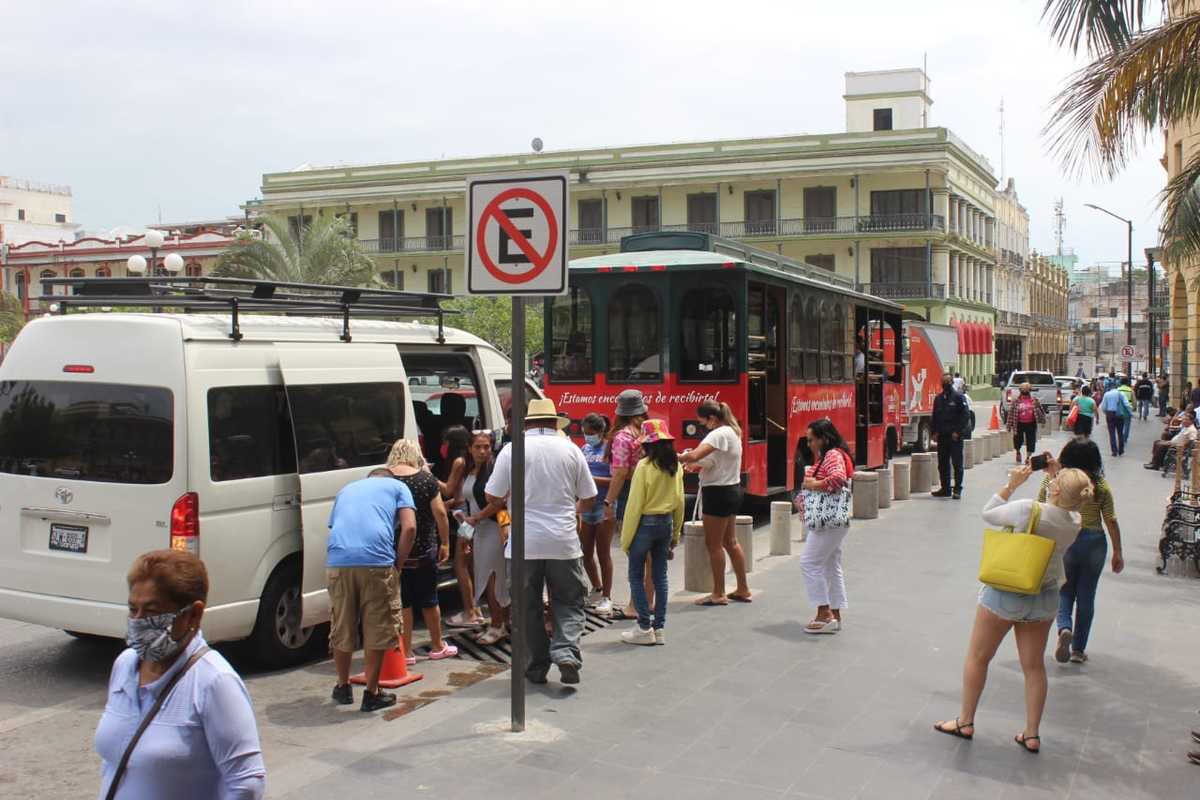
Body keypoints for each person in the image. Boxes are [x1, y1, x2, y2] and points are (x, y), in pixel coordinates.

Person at [933, 465, 1093, 753]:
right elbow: (1058, 505)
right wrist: (1058, 479)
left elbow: (988, 512)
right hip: (1044, 596)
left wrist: (1012, 484)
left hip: (1006, 592)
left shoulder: (1026, 509)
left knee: (978, 657)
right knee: (1033, 667)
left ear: (1054, 489)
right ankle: (1032, 734)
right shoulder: (1074, 520)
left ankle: (965, 721)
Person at [96, 550, 266, 799]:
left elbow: (247, 783)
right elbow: (115, 762)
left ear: (193, 614)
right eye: (133, 610)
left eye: (152, 612)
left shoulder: (215, 682)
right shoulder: (125, 665)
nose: (138, 621)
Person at [484, 398, 597, 685]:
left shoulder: (512, 451)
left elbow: (492, 496)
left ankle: (535, 667)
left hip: (523, 542)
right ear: (553, 422)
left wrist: (510, 501)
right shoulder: (571, 450)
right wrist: (573, 511)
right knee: (569, 601)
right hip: (563, 540)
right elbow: (589, 495)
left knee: (526, 606)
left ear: (528, 423)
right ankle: (566, 651)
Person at [326, 468, 416, 712]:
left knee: (342, 624)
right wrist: (398, 563)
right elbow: (409, 528)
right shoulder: (398, 487)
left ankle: (342, 686)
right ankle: (372, 692)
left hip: (338, 562)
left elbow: (335, 526)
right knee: (377, 626)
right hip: (377, 562)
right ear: (388, 478)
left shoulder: (346, 490)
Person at [1039, 439, 1124, 665]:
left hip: (1066, 539)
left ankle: (1064, 627)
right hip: (1094, 541)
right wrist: (1118, 552)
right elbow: (1111, 521)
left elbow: (1040, 506)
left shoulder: (1054, 481)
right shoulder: (1100, 486)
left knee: (1064, 590)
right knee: (1087, 596)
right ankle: (1078, 650)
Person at [386, 440, 457, 665]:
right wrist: (445, 542)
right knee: (429, 598)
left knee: (403, 601)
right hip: (423, 549)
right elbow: (440, 513)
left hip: (396, 551)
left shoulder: (385, 479)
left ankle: (406, 652)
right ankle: (437, 646)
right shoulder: (425, 479)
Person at [679, 399, 752, 605]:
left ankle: (718, 593)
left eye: (703, 422)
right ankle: (742, 588)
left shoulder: (718, 434)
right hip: (733, 489)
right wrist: (696, 464)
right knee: (731, 542)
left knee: (714, 545)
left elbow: (694, 454)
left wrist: (677, 457)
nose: (703, 426)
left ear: (712, 418)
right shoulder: (732, 432)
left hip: (717, 493)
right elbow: (714, 462)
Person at [619, 419, 685, 645]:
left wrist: (625, 540)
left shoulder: (645, 467)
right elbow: (679, 503)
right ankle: (659, 629)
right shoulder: (675, 466)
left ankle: (644, 627)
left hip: (645, 525)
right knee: (661, 577)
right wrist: (675, 535)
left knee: (636, 576)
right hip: (665, 525)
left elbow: (634, 505)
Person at [797, 418, 854, 634]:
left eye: (812, 440)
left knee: (809, 563)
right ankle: (835, 612)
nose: (809, 444)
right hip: (835, 519)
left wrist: (814, 484)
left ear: (823, 439)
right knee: (831, 565)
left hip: (827, 520)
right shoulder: (838, 453)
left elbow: (838, 478)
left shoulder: (831, 455)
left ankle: (824, 612)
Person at [601, 390, 653, 620]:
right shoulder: (649, 432)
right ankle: (648, 601)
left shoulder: (623, 437)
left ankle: (634, 605)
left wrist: (608, 501)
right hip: (652, 492)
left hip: (631, 494)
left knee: (636, 553)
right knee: (651, 555)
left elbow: (621, 473)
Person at [460, 430, 510, 645]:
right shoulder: (470, 470)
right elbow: (467, 498)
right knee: (487, 576)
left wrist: (477, 517)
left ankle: (498, 624)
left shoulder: (493, 470)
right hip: (478, 530)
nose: (482, 451)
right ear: (470, 449)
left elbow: (500, 502)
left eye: (486, 447)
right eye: (478, 447)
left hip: (493, 529)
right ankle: (500, 622)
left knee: (493, 578)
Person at [438, 425, 483, 628]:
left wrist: (424, 473)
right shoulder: (470, 461)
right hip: (468, 514)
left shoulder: (458, 461)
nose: (443, 447)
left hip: (465, 519)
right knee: (471, 564)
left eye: (445, 442)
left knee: (460, 565)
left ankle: (470, 612)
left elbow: (448, 490)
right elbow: (458, 496)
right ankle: (476, 607)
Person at [577, 413, 614, 616]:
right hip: (587, 505)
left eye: (591, 434)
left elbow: (616, 479)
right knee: (586, 552)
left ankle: (607, 596)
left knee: (603, 553)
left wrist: (592, 480)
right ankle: (597, 587)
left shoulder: (609, 449)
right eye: (585, 433)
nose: (587, 437)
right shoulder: (584, 449)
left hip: (604, 505)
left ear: (601, 432)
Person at [931, 373, 970, 499]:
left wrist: (958, 432)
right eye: (943, 382)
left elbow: (965, 416)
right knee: (942, 463)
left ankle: (957, 489)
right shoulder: (939, 398)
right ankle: (945, 488)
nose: (945, 384)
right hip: (942, 436)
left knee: (957, 464)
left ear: (951, 382)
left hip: (955, 437)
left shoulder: (959, 397)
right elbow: (935, 417)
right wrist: (934, 432)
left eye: (947, 382)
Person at [1005, 382, 1047, 464]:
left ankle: (1028, 457)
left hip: (1031, 423)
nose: (1025, 391)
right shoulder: (1016, 401)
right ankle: (1018, 452)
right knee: (1017, 439)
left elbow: (1041, 411)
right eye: (1023, 389)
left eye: (1026, 389)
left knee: (1031, 441)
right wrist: (1009, 426)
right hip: (1019, 424)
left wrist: (1043, 421)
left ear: (1029, 390)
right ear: (1020, 391)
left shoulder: (1034, 400)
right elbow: (1011, 414)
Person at [1100, 380, 1133, 457]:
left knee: (1112, 433)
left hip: (1110, 414)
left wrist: (1106, 413)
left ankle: (1114, 451)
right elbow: (1126, 404)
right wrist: (1130, 413)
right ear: (1116, 386)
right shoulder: (1120, 394)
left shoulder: (1106, 394)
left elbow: (1103, 407)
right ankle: (1121, 450)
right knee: (1120, 433)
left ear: (1110, 387)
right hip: (1119, 415)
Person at [1118, 376, 1135, 443]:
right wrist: (1133, 408)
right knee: (1127, 425)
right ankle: (1125, 438)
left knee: (1120, 425)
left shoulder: (1118, 390)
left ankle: (1120, 436)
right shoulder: (1130, 390)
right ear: (1127, 382)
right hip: (1128, 410)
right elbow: (1134, 401)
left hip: (1119, 410)